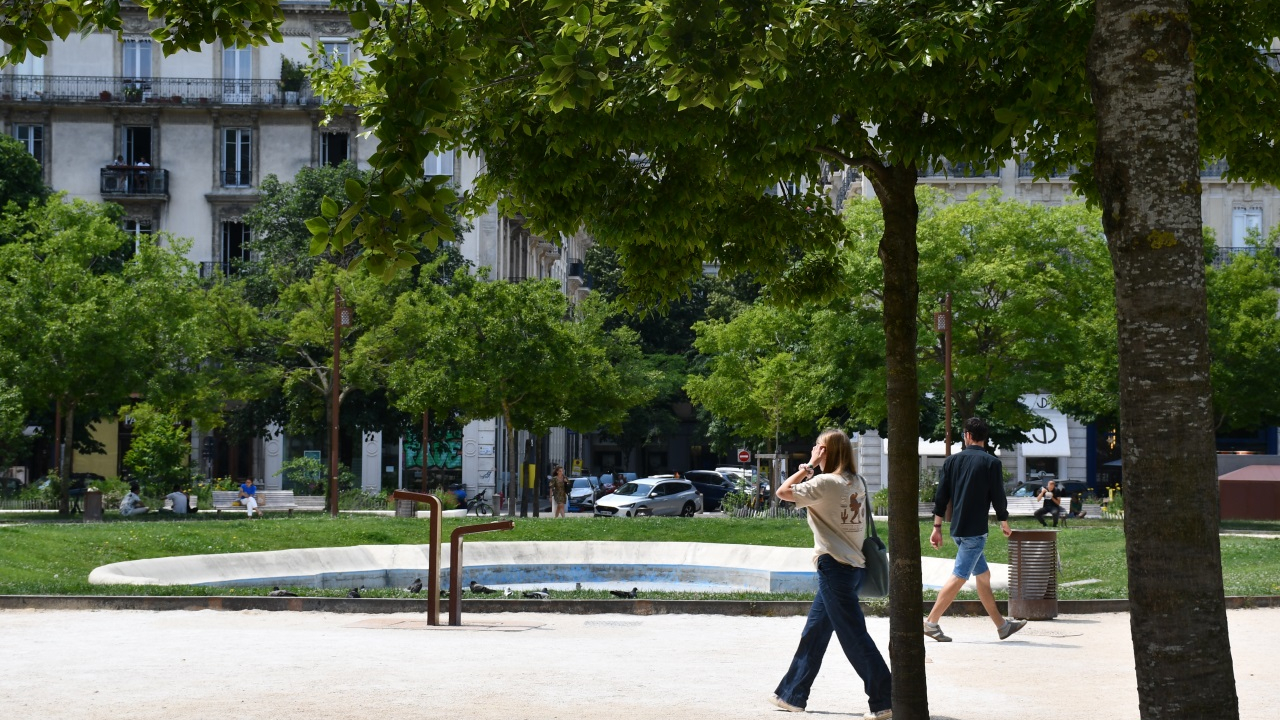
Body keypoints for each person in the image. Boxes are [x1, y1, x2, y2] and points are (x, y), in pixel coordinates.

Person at [770, 429, 892, 720]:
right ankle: (792, 694)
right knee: (815, 632)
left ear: (826, 452)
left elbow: (782, 492)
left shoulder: (824, 482)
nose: (814, 449)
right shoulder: (856, 482)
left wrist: (808, 466)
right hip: (853, 567)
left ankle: (885, 699)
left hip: (834, 567)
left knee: (853, 635)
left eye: (818, 447)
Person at [924, 417, 1027, 642]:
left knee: (983, 576)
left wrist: (937, 526)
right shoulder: (992, 463)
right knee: (960, 576)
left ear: (967, 436)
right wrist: (1004, 522)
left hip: (958, 529)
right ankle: (931, 622)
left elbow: (941, 496)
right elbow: (998, 496)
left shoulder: (952, 462)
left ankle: (1002, 626)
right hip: (975, 531)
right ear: (984, 437)